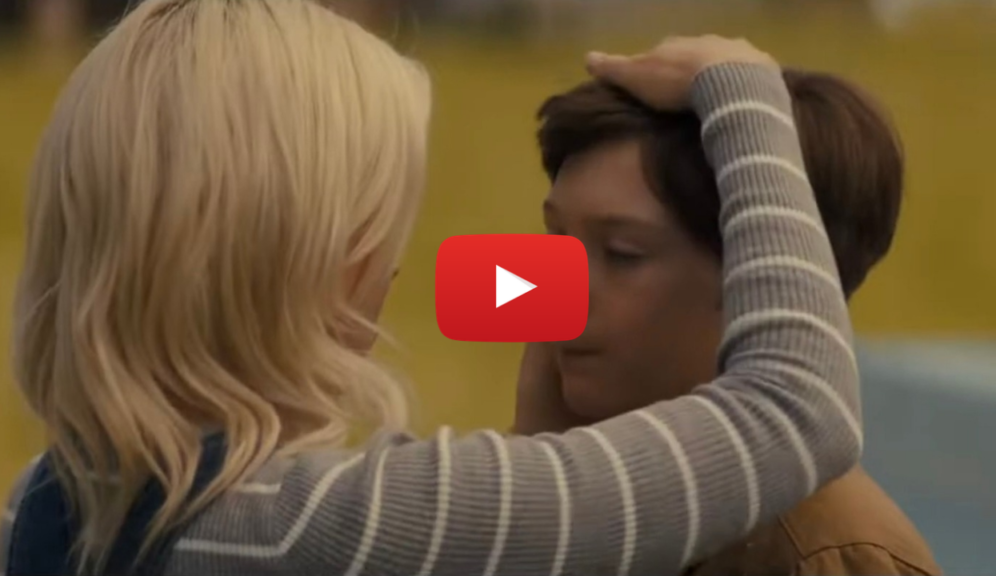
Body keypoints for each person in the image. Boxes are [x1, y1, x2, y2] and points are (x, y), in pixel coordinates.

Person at [1, 1, 861, 575]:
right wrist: (744, 91)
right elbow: (796, 408)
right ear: (321, 267)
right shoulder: (337, 525)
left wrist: (534, 445)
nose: (395, 273)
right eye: (380, 234)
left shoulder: (39, 512)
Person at [517, 68, 940, 574]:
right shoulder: (577, 491)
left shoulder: (821, 557)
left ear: (767, 284)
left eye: (622, 253)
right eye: (557, 240)